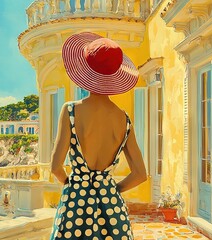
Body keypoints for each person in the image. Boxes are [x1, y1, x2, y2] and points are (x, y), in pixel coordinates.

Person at [49, 32, 147, 240]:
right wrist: (110, 188)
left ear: (86, 71)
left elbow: (55, 167)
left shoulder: (70, 111)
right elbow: (140, 174)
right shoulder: (124, 119)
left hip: (75, 204)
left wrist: (73, 184)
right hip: (112, 207)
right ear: (115, 74)